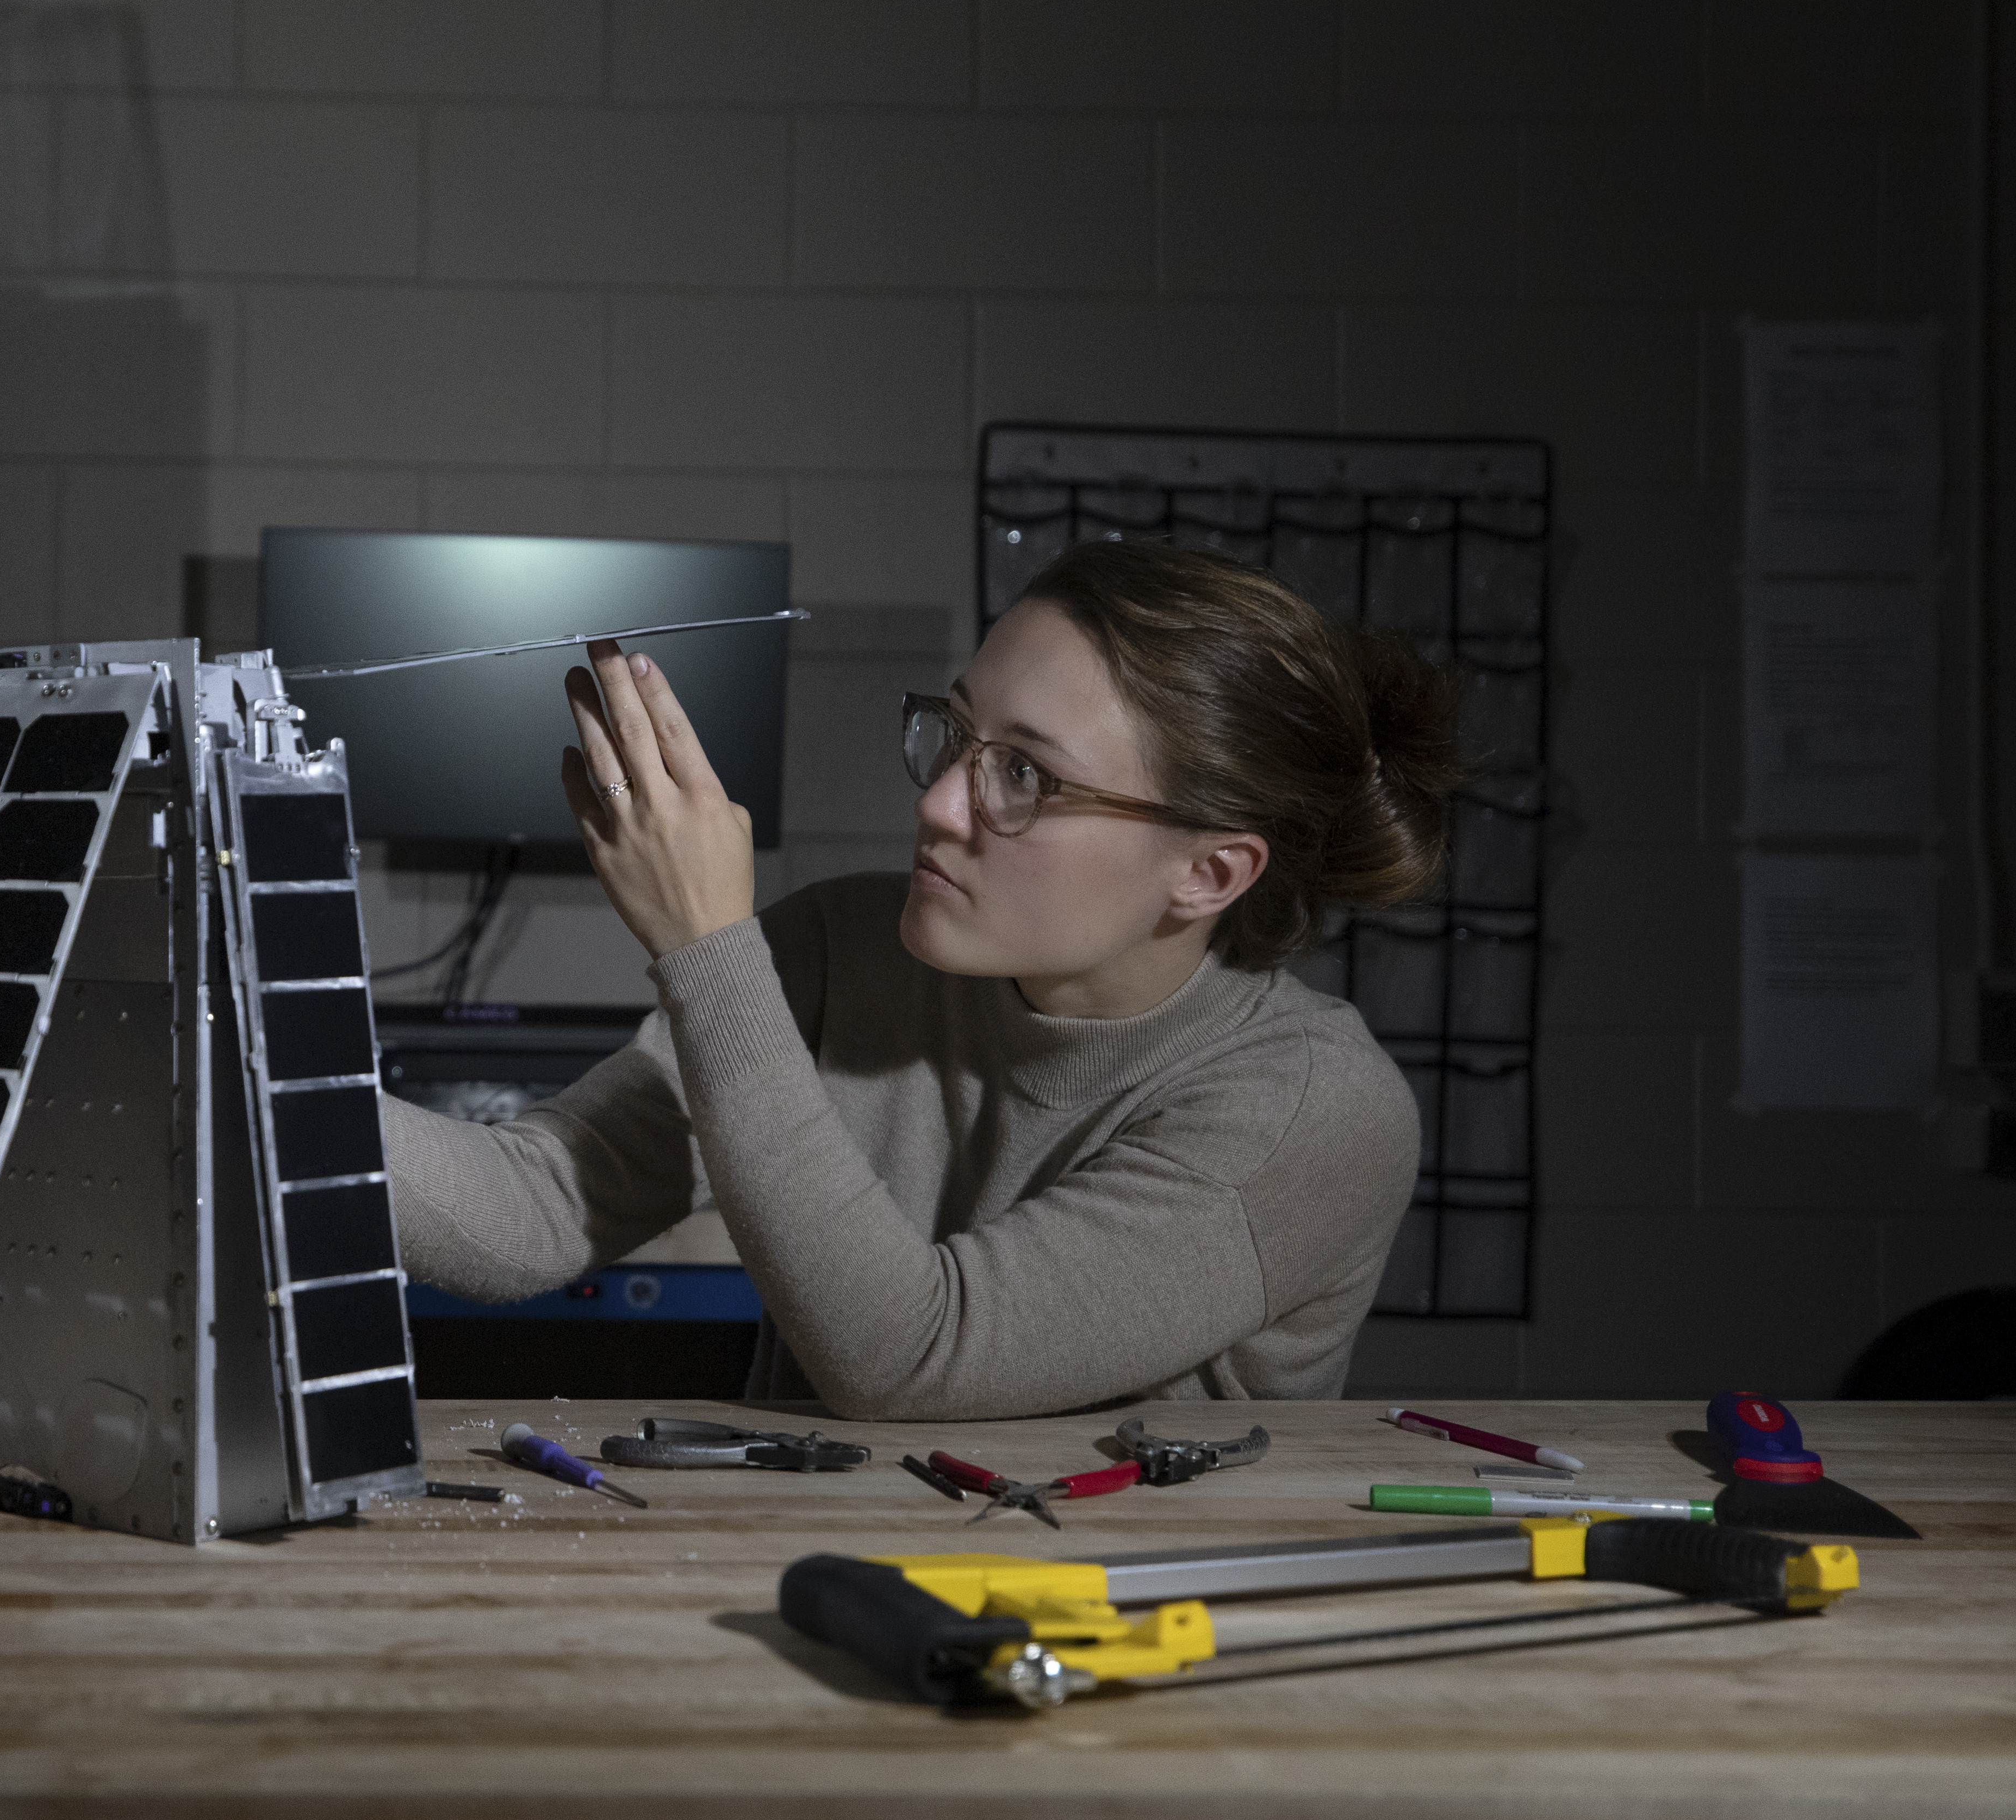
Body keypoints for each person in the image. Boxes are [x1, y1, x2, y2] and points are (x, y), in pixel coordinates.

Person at [380, 537, 1466, 1417]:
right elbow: (530, 1210)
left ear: (1207, 871)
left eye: (1025, 774)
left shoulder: (1313, 1113)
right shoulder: (845, 945)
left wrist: (707, 951)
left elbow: (912, 1358)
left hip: (1122, 1646)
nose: (940, 803)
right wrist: (232, 1058)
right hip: (821, 1592)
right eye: (956, 734)